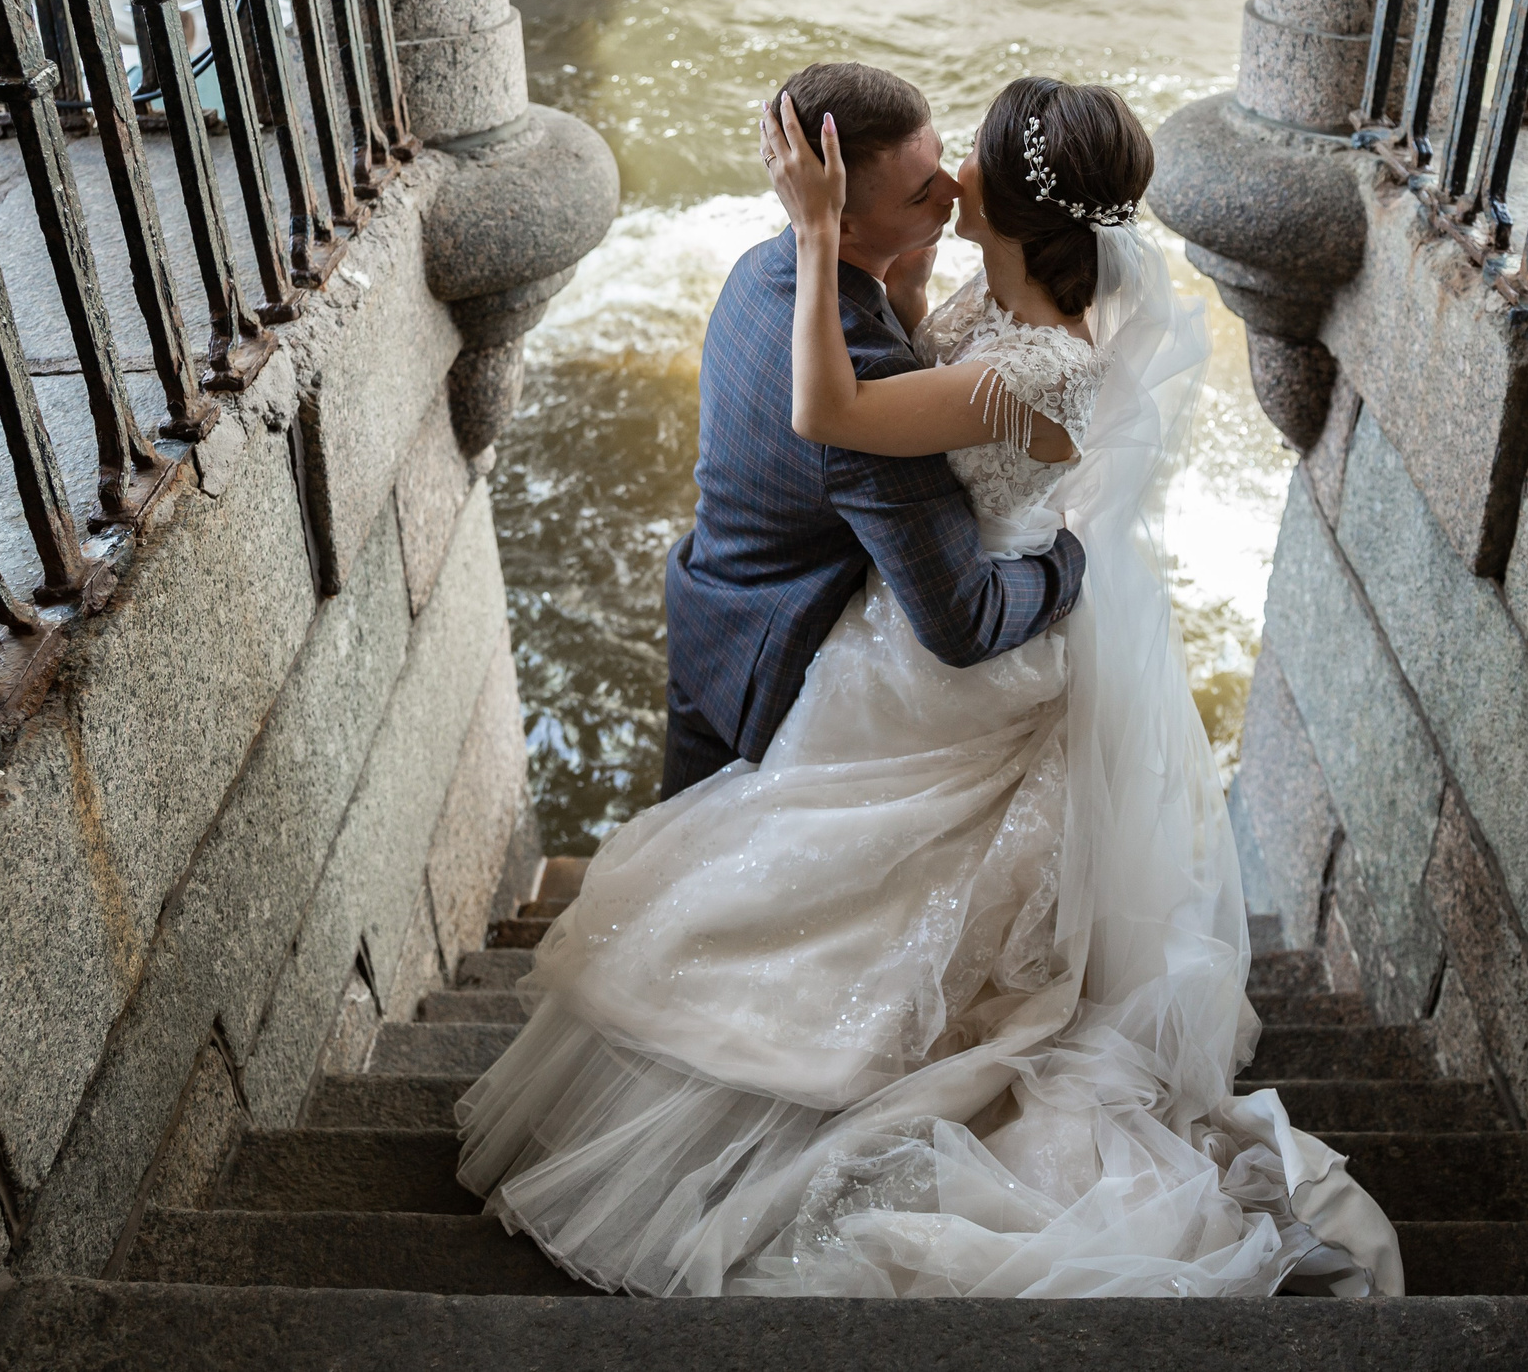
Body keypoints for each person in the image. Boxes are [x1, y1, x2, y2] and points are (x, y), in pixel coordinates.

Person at [453, 70, 1402, 1299]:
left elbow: (848, 427)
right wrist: (868, 260)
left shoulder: (988, 355)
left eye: (962, 170)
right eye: (930, 175)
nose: (947, 183)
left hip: (969, 644)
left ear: (998, 204)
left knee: (860, 887)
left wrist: (815, 233)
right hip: (922, 622)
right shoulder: (983, 305)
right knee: (831, 876)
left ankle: (863, 1077)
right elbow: (898, 348)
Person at [653, 63, 1082, 800]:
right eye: (921, 192)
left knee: (669, 863)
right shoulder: (866, 386)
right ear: (837, 219)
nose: (952, 189)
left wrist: (905, 290)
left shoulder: (759, 270)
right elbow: (963, 620)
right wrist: (1070, 563)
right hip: (770, 668)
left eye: (943, 158)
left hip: (709, 607)